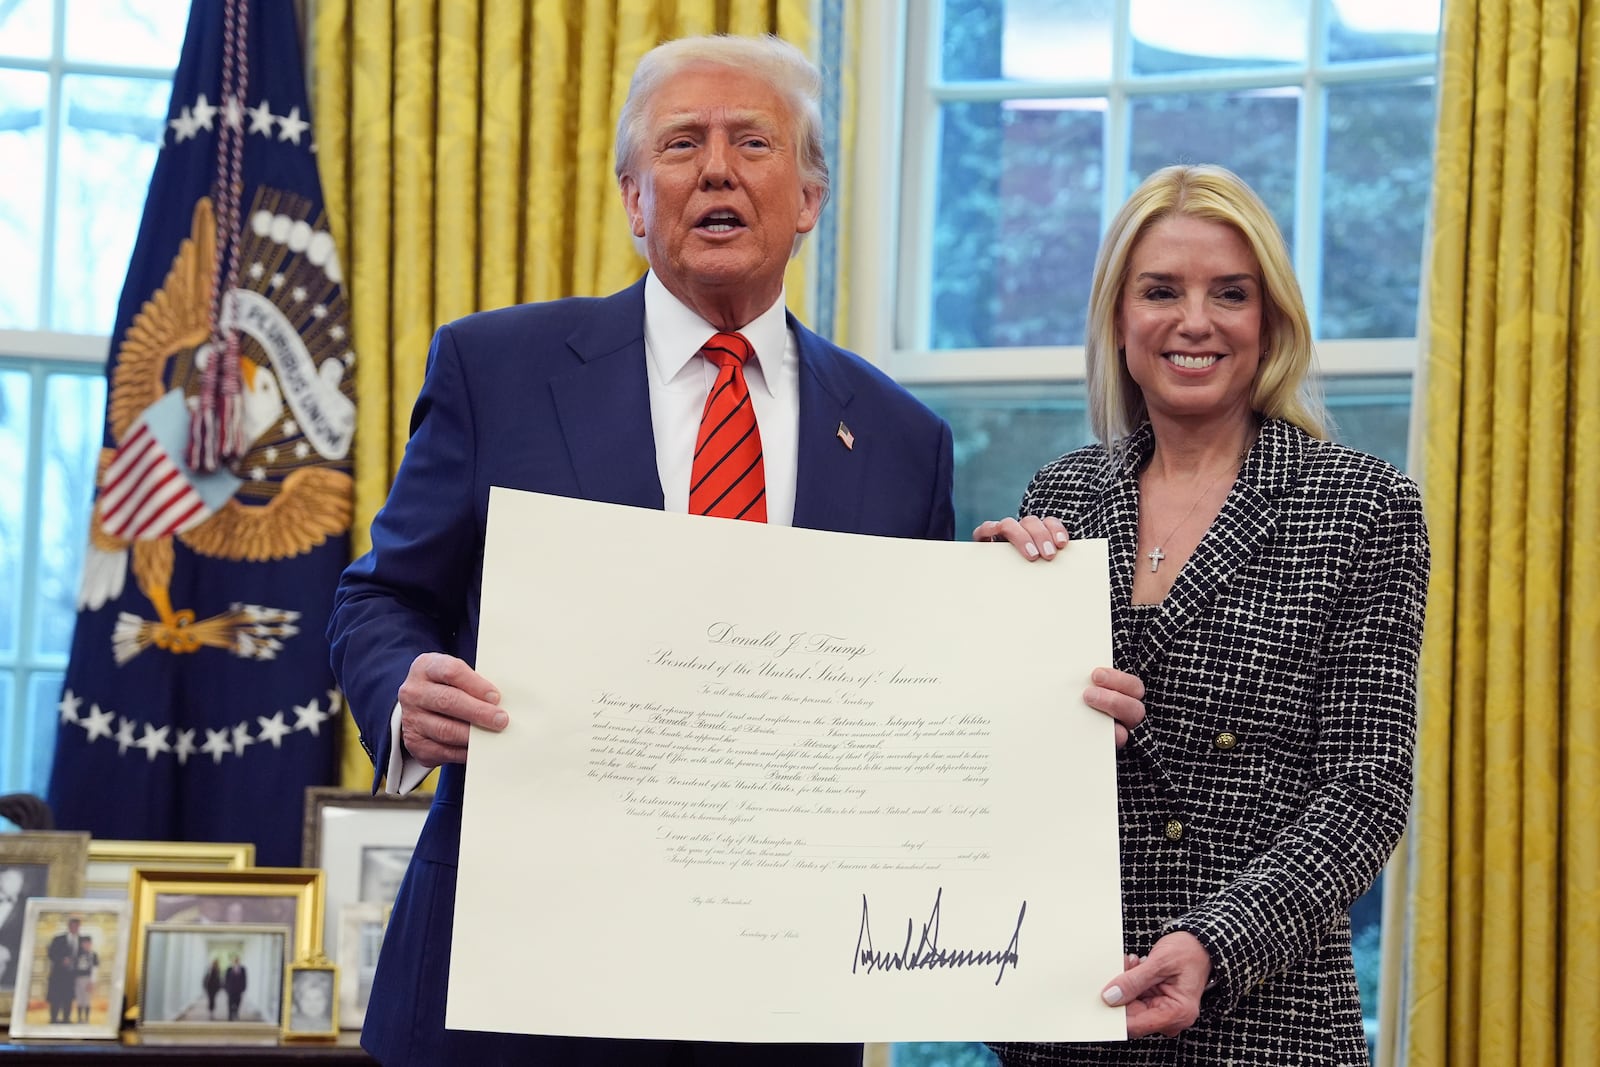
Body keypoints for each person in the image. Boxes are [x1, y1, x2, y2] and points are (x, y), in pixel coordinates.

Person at [328, 31, 1143, 1067]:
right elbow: (380, 594)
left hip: (775, 1010)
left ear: (809, 197)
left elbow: (903, 723)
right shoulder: (496, 368)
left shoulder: (901, 438)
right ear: (634, 198)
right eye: (681, 145)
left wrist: (1015, 657)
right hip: (516, 989)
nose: (715, 168)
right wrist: (403, 687)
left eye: (752, 142)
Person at [975, 163, 1429, 1064]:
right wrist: (982, 651)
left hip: (1263, 1020)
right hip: (1064, 1014)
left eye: (1231, 293)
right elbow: (999, 774)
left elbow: (1366, 791)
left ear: (1270, 322)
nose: (1194, 321)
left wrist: (1215, 947)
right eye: (1160, 291)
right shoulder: (1057, 498)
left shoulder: (1362, 506)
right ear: (1118, 317)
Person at [45, 916, 82, 1023]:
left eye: (77, 926)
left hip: (72, 976)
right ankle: (53, 1018)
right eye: (72, 925)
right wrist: (61, 960)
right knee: (56, 997)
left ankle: (66, 1018)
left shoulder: (82, 940)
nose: (74, 928)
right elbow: (51, 953)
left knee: (68, 998)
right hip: (58, 974)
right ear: (69, 926)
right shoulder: (58, 939)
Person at [289, 968, 334, 1032]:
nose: (313, 1004)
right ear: (299, 1001)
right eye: (307, 999)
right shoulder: (291, 1024)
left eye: (318, 999)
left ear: (326, 1001)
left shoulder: (330, 1026)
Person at [73, 933, 97, 1022]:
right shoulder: (77, 954)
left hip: (87, 979)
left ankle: (86, 1018)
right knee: (79, 999)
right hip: (78, 978)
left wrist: (91, 982)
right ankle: (80, 1018)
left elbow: (95, 969)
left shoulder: (93, 955)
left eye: (88, 943)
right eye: (84, 943)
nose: (86, 945)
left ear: (90, 944)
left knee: (86, 999)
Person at [223, 952, 247, 1021]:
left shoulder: (243, 969)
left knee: (238, 1002)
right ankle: (230, 1015)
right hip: (230, 989)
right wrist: (226, 988)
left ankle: (236, 1013)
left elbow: (244, 979)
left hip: (239, 989)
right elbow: (226, 980)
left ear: (239, 961)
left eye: (237, 960)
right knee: (230, 1002)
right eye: (235, 960)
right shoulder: (229, 969)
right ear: (233, 961)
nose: (236, 961)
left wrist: (244, 988)